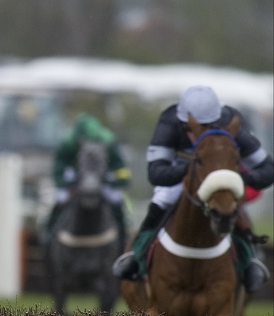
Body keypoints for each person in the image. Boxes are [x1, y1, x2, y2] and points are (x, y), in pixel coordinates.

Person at [112, 85, 273, 293]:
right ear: (183, 124)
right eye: (192, 128)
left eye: (208, 125)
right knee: (163, 198)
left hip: (219, 179)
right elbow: (156, 173)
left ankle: (250, 260)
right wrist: (194, 169)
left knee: (233, 205)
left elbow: (267, 168)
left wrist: (243, 177)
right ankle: (137, 255)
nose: (199, 132)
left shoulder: (232, 122)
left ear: (218, 121)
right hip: (182, 179)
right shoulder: (169, 122)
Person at [44, 113, 130, 247]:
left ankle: (124, 235)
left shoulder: (109, 142)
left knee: (116, 199)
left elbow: (119, 166)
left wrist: (117, 181)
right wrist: (63, 183)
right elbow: (59, 165)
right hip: (76, 177)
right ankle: (49, 233)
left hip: (103, 178)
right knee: (60, 198)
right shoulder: (68, 143)